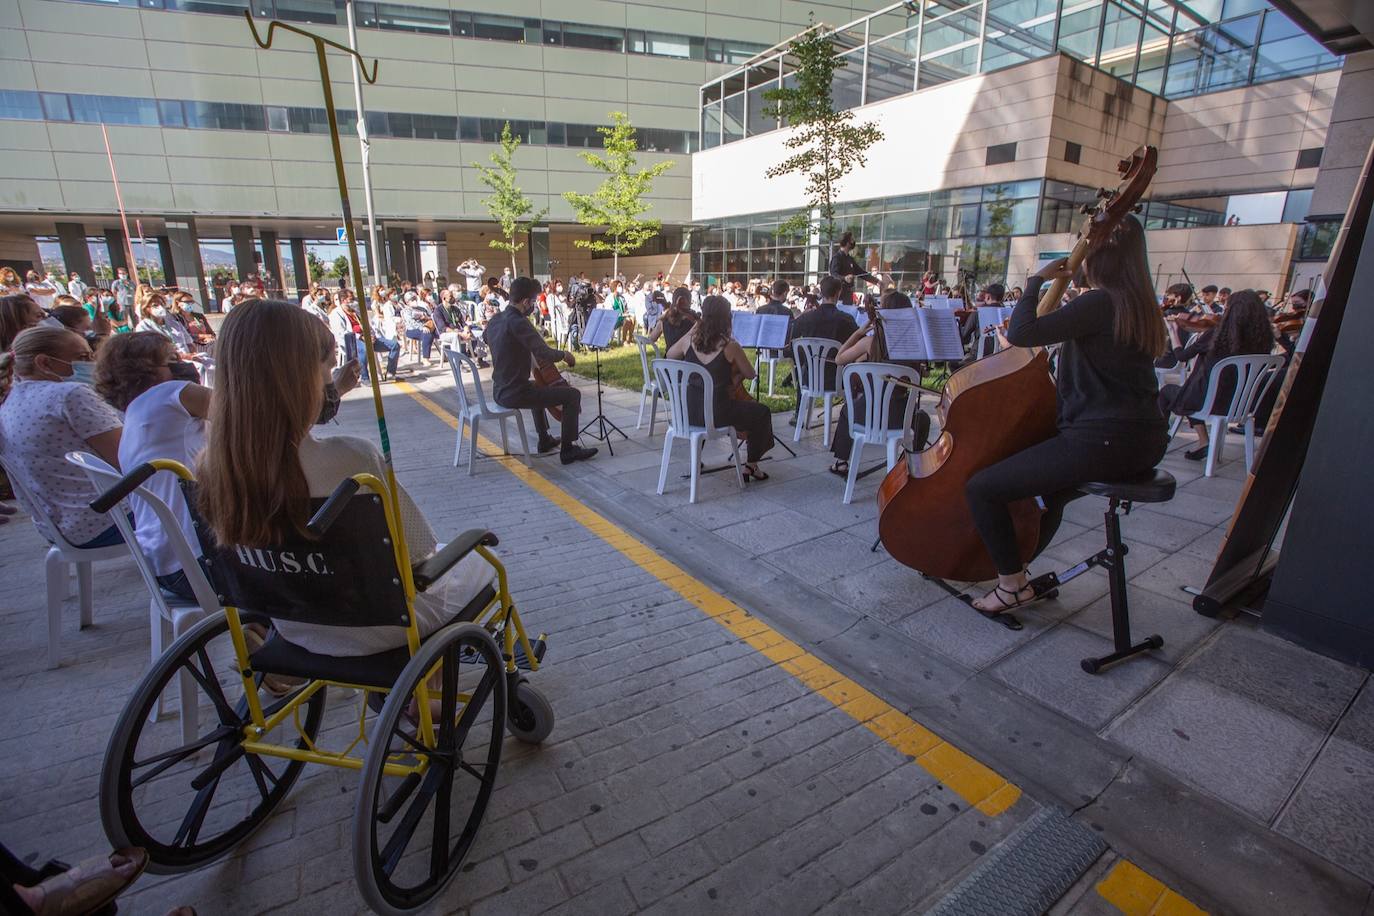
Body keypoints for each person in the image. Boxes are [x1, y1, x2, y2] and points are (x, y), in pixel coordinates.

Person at [195, 300, 494, 657]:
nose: (328, 379)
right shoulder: (352, 458)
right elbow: (417, 552)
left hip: (292, 622)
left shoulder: (211, 466)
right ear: (300, 375)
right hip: (376, 624)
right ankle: (428, 687)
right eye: (324, 366)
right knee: (481, 560)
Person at [965, 214, 1168, 614]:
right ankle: (1017, 572)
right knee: (1051, 495)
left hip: (1102, 440)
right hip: (1145, 442)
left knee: (981, 487)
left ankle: (1010, 587)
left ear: (1100, 258)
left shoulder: (1099, 303)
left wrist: (1037, 280)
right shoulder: (1140, 306)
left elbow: (1023, 333)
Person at [96, 332, 210, 600]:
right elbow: (252, 411)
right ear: (146, 372)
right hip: (202, 566)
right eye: (172, 359)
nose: (182, 364)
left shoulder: (135, 414)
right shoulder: (169, 393)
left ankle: (257, 631)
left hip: (167, 565)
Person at [0, 327, 125, 548]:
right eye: (82, 357)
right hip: (107, 520)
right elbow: (128, 458)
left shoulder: (11, 400)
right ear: (44, 363)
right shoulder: (69, 395)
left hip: (58, 527)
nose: (90, 364)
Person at [484, 277, 596, 465]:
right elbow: (544, 353)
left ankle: (544, 439)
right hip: (514, 393)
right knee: (572, 396)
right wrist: (565, 355)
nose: (534, 306)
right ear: (526, 302)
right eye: (534, 301)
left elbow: (488, 339)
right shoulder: (518, 322)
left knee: (537, 385)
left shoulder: (497, 319)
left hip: (500, 390)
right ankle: (568, 450)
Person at [665, 295, 774, 481]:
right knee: (761, 412)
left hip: (688, 413)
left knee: (725, 407)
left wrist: (692, 329)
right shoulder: (730, 346)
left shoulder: (688, 342)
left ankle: (702, 459)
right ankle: (751, 465)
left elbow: (669, 354)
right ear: (726, 319)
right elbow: (750, 374)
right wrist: (734, 378)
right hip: (718, 414)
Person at [1157, 288, 1275, 460]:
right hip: (1241, 405)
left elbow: (1182, 356)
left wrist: (1174, 331)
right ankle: (1203, 442)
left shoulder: (1218, 335)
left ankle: (1157, 439)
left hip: (1208, 401)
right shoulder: (1262, 340)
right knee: (1193, 391)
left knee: (1168, 392)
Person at [828, 290, 932, 476]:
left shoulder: (870, 342)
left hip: (866, 414)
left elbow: (839, 359)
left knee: (847, 410)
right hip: (899, 416)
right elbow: (918, 374)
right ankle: (908, 463)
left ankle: (841, 462)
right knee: (922, 418)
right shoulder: (914, 345)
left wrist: (858, 333)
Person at [791, 276, 859, 408]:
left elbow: (791, 336)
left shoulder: (807, 317)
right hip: (837, 379)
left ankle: (798, 413)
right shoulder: (846, 319)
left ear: (821, 293)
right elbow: (859, 345)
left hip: (809, 378)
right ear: (839, 292)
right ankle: (852, 416)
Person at [828, 232, 878, 305]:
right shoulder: (837, 258)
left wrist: (877, 281)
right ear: (847, 242)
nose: (853, 242)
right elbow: (833, 274)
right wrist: (844, 278)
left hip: (848, 294)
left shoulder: (849, 259)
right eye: (852, 240)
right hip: (839, 296)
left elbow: (861, 272)